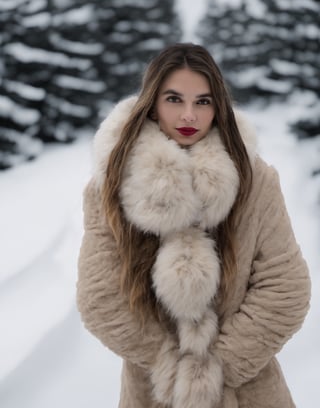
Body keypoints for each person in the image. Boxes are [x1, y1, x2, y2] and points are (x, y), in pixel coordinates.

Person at [76, 43, 311, 408]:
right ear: (152, 103)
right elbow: (99, 298)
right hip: (153, 392)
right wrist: (168, 366)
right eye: (174, 99)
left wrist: (217, 369)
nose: (189, 115)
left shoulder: (256, 179)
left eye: (202, 101)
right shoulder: (110, 184)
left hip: (249, 391)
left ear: (218, 106)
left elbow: (286, 286)